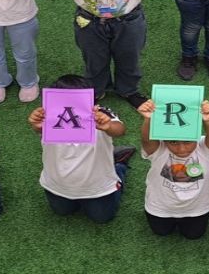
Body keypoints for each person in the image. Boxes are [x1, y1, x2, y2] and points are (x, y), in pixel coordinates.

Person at [50, 0, 169, 109]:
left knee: (129, 58)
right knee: (94, 59)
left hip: (129, 20)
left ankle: (128, 90)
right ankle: (96, 90)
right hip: (90, 21)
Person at [27, 74, 136, 223]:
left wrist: (108, 126)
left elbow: (120, 130)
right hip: (56, 186)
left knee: (102, 218)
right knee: (62, 212)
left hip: (99, 188)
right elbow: (38, 129)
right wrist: (36, 125)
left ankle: (119, 165)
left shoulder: (100, 115)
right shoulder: (48, 117)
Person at [137, 99, 209, 239]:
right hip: (160, 208)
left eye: (188, 141)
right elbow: (147, 141)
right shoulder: (159, 149)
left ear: (196, 137)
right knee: (161, 232)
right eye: (173, 142)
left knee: (193, 235)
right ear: (164, 141)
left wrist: (208, 121)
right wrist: (148, 119)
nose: (181, 149)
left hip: (197, 209)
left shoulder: (206, 149)